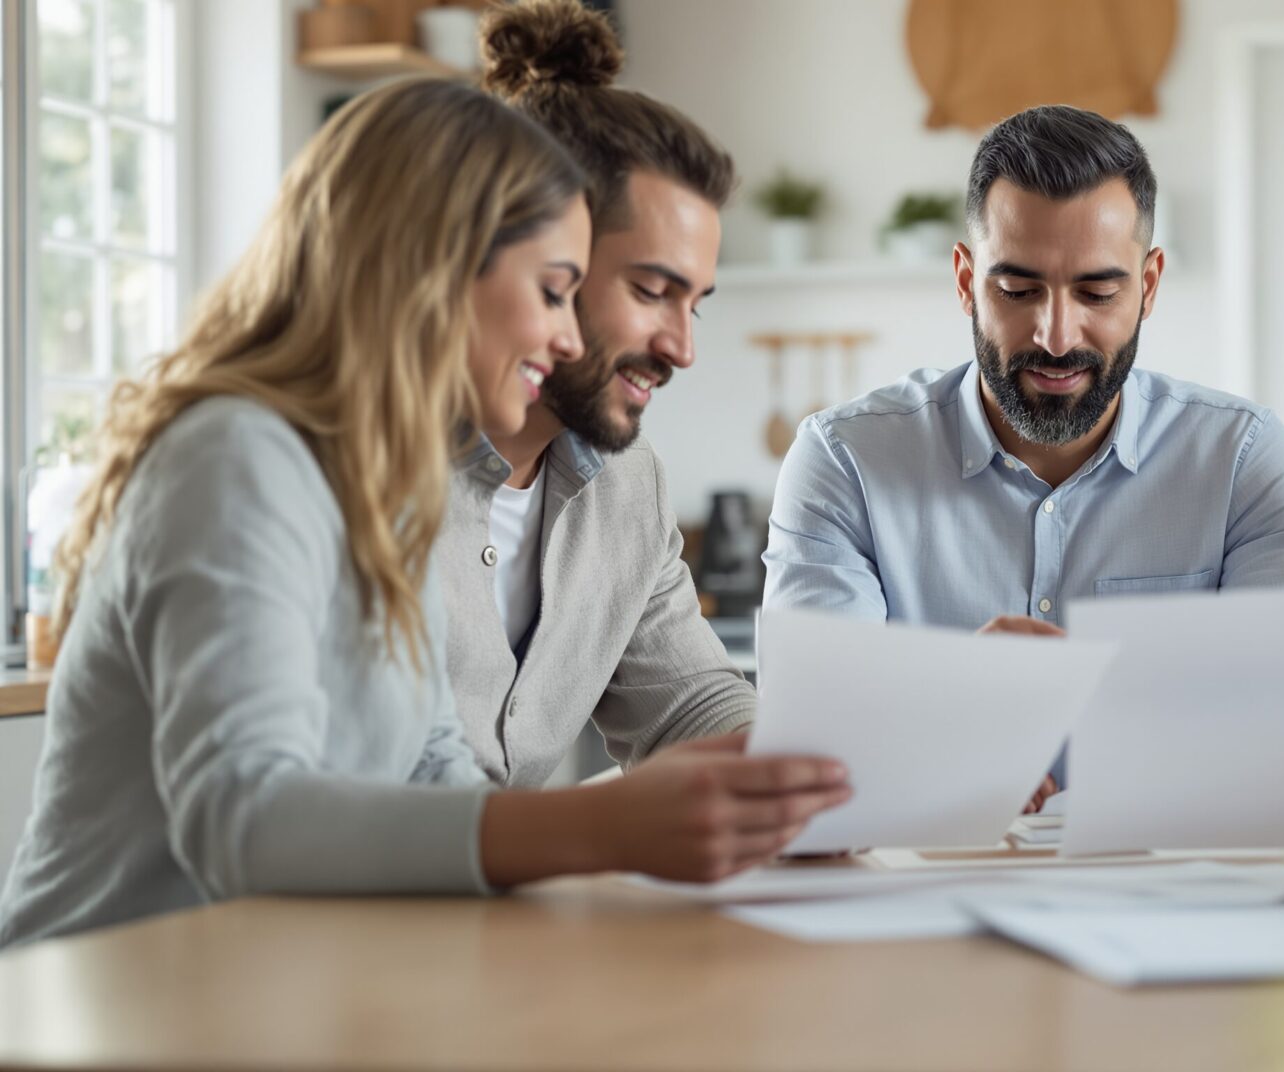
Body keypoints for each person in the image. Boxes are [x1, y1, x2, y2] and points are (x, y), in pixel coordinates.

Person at [0, 79, 848, 949]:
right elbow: (242, 814)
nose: (566, 336)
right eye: (553, 290)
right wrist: (604, 826)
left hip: (307, 981)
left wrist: (812, 786)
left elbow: (440, 773)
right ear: (438, 270)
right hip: (107, 992)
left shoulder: (392, 479)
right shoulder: (239, 455)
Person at [762, 105, 1284, 800]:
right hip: (926, 862)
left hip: (1174, 860)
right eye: (1017, 290)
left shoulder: (1242, 460)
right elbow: (809, 743)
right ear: (966, 281)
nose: (1057, 336)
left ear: (1149, 286)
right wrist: (944, 713)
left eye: (1097, 291)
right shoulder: (844, 461)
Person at [439, 0, 756, 792]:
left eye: (695, 304)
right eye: (652, 291)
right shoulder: (357, 466)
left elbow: (690, 708)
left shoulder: (625, 483)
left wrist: (835, 764)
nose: (682, 349)